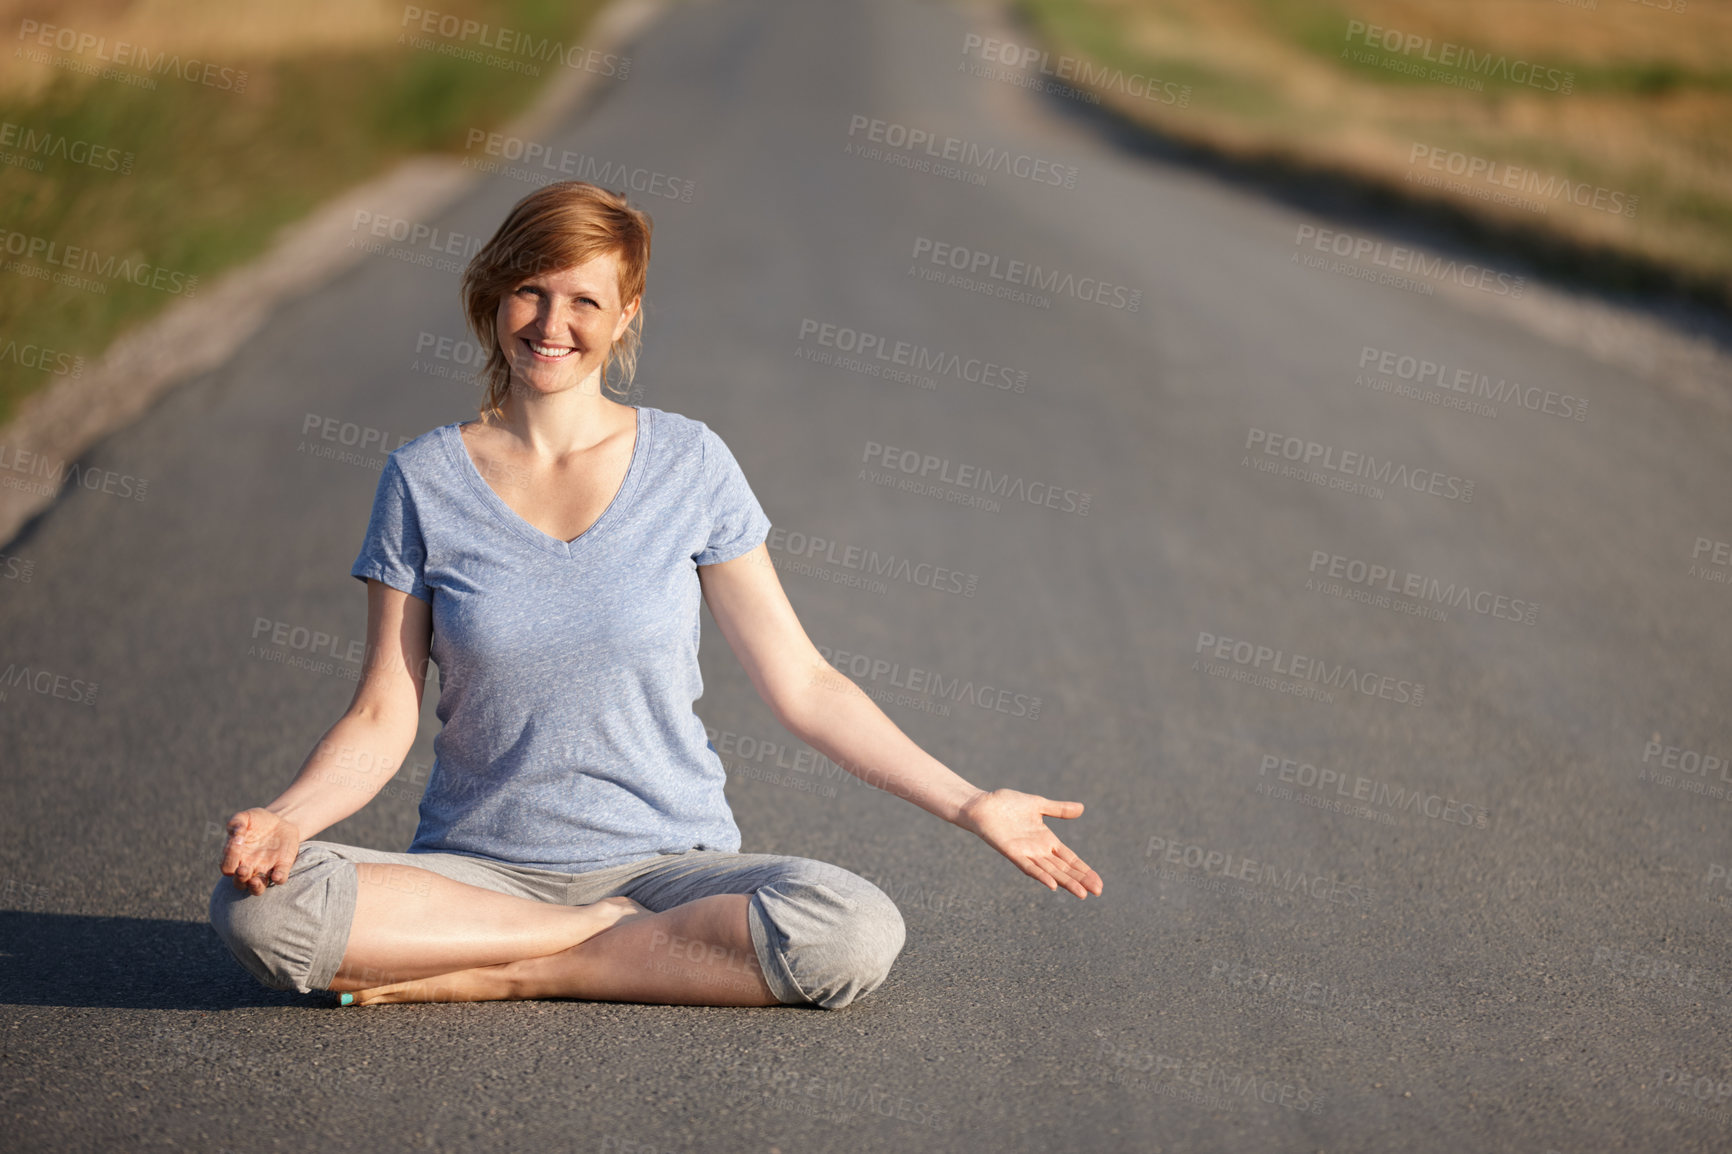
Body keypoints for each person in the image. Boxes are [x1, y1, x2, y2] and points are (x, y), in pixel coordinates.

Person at [208, 180, 1102, 1011]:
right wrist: (287, 821)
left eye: (585, 300)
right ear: (493, 296)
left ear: (626, 314)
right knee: (260, 911)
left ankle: (506, 969)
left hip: (672, 871)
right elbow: (380, 715)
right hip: (479, 873)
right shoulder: (423, 479)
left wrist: (970, 801)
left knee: (851, 929)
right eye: (530, 291)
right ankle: (582, 941)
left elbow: (806, 683)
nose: (552, 323)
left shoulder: (690, 463)